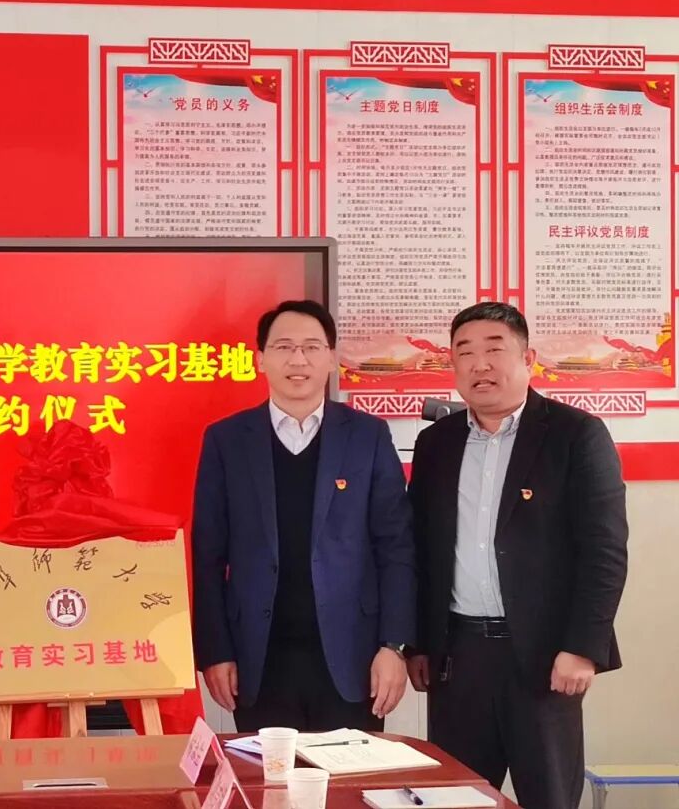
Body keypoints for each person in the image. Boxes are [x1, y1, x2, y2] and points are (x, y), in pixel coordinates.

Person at [407, 302, 628, 809]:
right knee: (454, 800)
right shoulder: (436, 443)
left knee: (548, 798)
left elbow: (604, 551)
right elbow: (421, 548)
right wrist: (417, 643)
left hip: (544, 659)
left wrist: (583, 647)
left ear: (528, 358)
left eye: (494, 349)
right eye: (465, 352)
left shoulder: (576, 435)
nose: (480, 364)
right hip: (457, 659)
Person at [191, 300, 415, 732]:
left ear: (331, 358)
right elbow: (208, 554)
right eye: (284, 347)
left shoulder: (367, 436)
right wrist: (215, 651)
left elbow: (396, 546)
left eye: (312, 347)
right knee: (269, 775)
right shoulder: (226, 440)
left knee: (350, 775)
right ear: (261, 359)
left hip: (353, 657)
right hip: (259, 660)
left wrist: (394, 645)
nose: (298, 360)